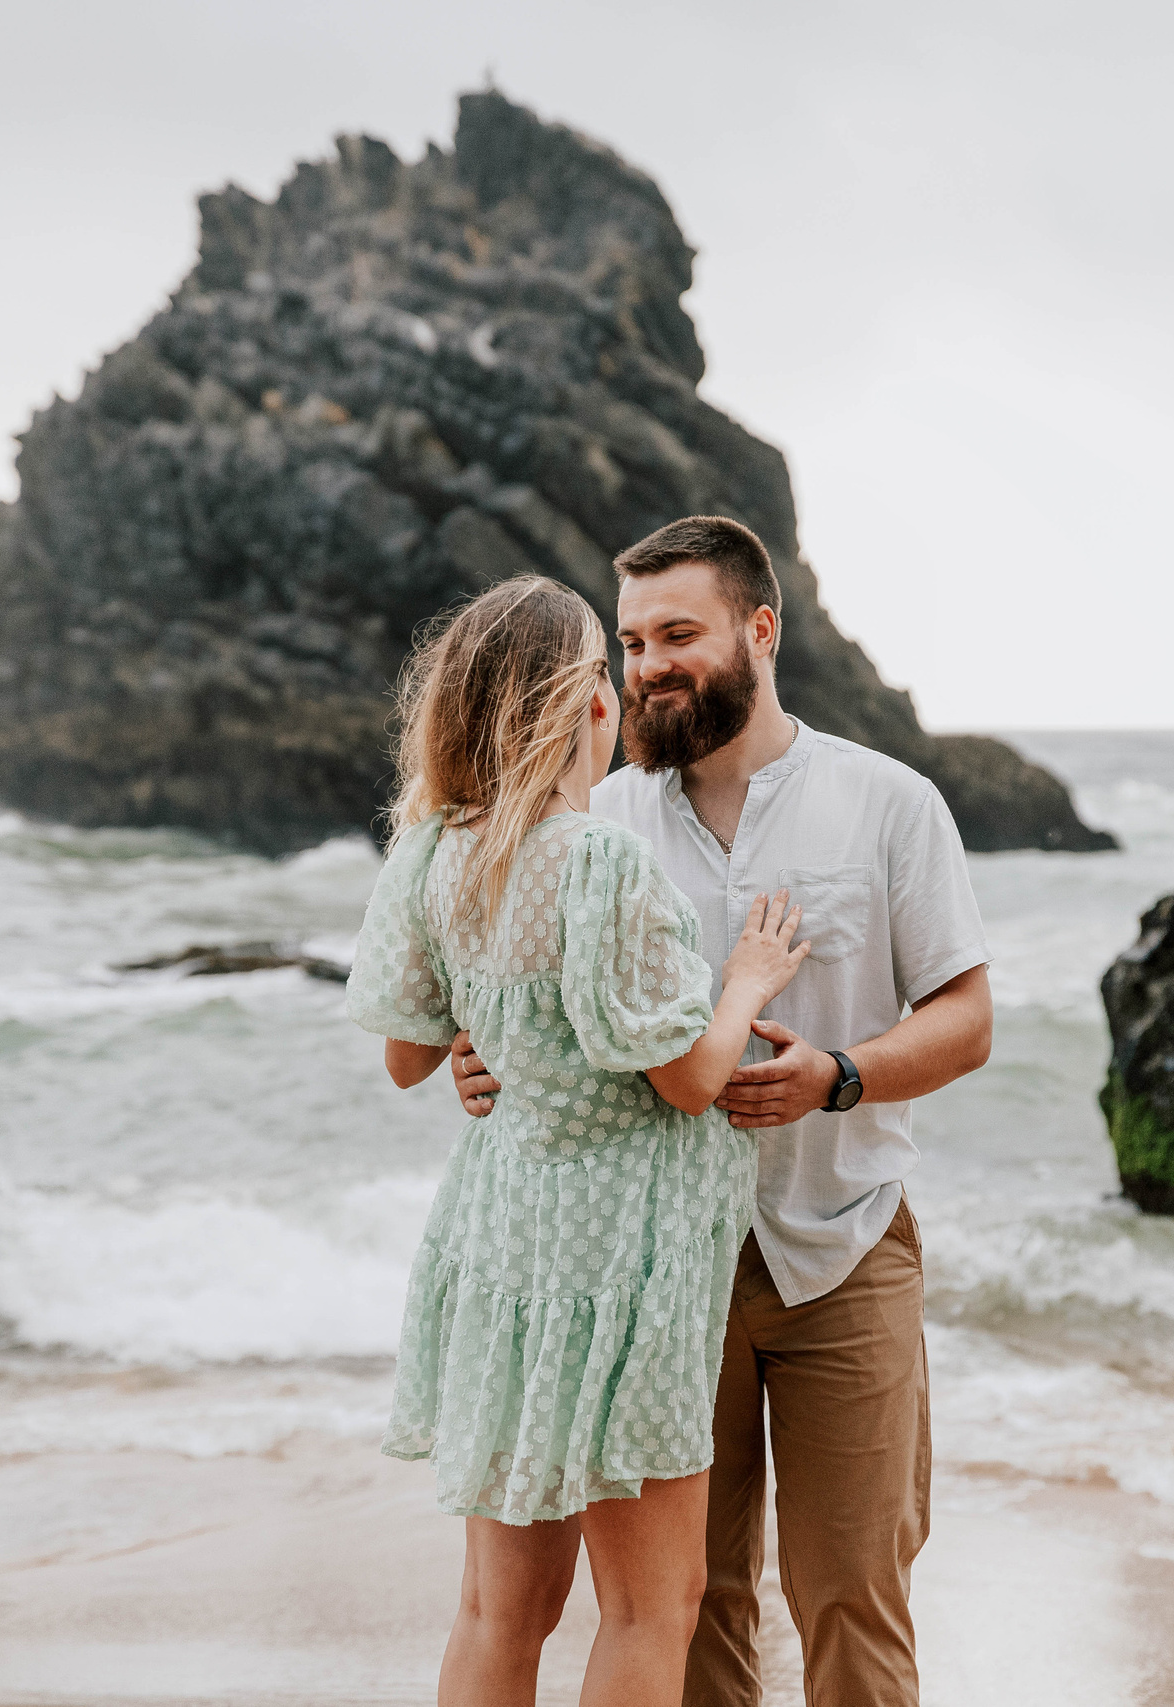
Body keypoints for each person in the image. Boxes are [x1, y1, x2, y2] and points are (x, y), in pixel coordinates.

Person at [450, 517, 995, 1706]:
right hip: (652, 1273)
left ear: (760, 629)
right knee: (685, 1609)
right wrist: (476, 1056)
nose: (649, 665)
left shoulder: (889, 804)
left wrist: (837, 1074)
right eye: (634, 641)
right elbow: (521, 1000)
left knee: (853, 1592)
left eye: (678, 634)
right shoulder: (596, 819)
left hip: (841, 1246)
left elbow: (966, 1018)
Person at [346, 573, 816, 1707]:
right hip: (620, 1266)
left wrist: (495, 1027)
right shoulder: (598, 862)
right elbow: (692, 1080)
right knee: (653, 1607)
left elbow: (410, 1057)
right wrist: (745, 981)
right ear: (588, 708)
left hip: (503, 1246)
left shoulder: (427, 854)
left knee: (496, 1610)